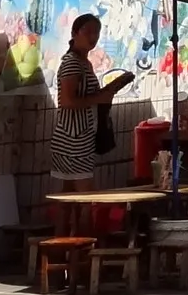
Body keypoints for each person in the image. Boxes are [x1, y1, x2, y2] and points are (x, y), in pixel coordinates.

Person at [49, 14, 139, 188]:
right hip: (73, 139)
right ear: (74, 33)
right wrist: (101, 96)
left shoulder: (83, 62)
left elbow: (89, 96)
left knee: (69, 196)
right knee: (83, 195)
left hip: (76, 136)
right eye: (88, 31)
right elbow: (67, 101)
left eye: (96, 32)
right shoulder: (72, 63)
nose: (93, 37)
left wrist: (113, 87)